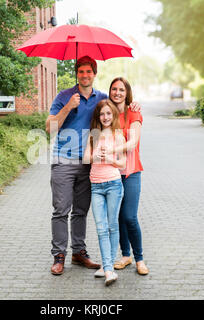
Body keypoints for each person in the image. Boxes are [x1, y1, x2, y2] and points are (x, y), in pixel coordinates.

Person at [46, 56, 140, 276]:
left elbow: (119, 107)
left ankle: (78, 252)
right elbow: (49, 128)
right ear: (76, 73)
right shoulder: (64, 97)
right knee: (61, 210)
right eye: (81, 71)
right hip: (64, 160)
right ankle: (59, 256)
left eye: (89, 71)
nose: (85, 75)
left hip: (90, 165)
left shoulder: (102, 98)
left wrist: (133, 104)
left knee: (81, 211)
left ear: (94, 74)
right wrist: (69, 107)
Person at [103, 77, 149, 275]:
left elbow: (133, 142)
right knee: (118, 217)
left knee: (129, 216)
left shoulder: (134, 112)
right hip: (113, 172)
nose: (117, 93)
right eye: (114, 89)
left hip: (131, 172)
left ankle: (139, 258)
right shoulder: (108, 113)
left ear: (127, 92)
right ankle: (125, 255)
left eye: (121, 89)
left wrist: (112, 148)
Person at [82, 99, 126, 286]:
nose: (105, 117)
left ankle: (108, 268)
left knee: (112, 226)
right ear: (98, 116)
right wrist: (94, 156)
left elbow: (122, 164)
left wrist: (109, 158)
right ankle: (108, 267)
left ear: (113, 115)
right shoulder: (94, 134)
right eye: (102, 114)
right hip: (96, 186)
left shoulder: (118, 135)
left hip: (114, 185)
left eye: (109, 113)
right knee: (101, 228)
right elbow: (85, 159)